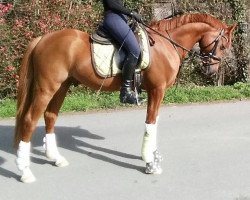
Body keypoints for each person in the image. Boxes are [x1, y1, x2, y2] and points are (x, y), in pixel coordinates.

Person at [101, 0, 142, 104]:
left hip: (121, 19)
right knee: (134, 50)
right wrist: (131, 13)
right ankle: (125, 92)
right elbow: (111, 4)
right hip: (113, 17)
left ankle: (136, 86)